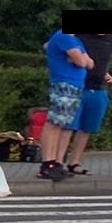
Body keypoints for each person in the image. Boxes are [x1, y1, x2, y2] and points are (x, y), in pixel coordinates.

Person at [64, 25, 112, 176]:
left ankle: (74, 162)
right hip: (78, 86)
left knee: (87, 128)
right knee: (68, 125)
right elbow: (63, 49)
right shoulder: (81, 35)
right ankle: (57, 160)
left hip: (99, 88)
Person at [39, 28, 95, 181]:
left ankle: (54, 162)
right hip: (65, 83)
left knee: (61, 124)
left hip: (74, 85)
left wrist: (77, 58)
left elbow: (90, 64)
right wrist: (78, 58)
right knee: (54, 123)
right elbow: (83, 61)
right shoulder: (65, 37)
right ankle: (47, 162)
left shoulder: (75, 40)